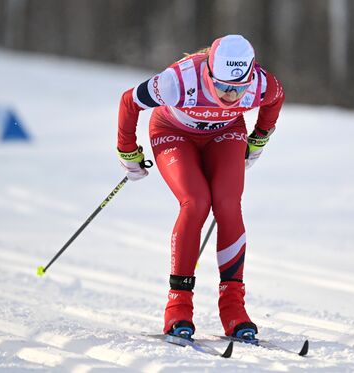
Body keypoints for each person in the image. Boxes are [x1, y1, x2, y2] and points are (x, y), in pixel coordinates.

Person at [116, 34, 285, 339]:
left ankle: (233, 308)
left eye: (238, 88)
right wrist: (127, 149)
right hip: (173, 133)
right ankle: (178, 306)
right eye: (222, 87)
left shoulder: (261, 83)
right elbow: (130, 101)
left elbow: (275, 100)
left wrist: (258, 139)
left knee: (228, 203)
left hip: (226, 133)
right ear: (208, 73)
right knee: (196, 202)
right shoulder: (178, 81)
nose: (231, 96)